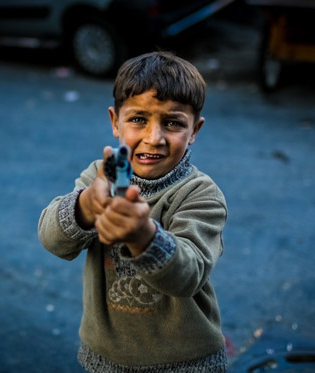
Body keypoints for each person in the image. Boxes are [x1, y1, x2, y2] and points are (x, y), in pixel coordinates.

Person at [38, 51, 228, 372]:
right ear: (115, 121)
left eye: (173, 123)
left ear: (195, 129)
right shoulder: (103, 175)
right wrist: (87, 205)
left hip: (185, 362)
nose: (154, 139)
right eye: (138, 119)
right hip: (106, 359)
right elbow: (52, 239)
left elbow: (189, 274)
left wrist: (144, 236)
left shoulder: (200, 193)